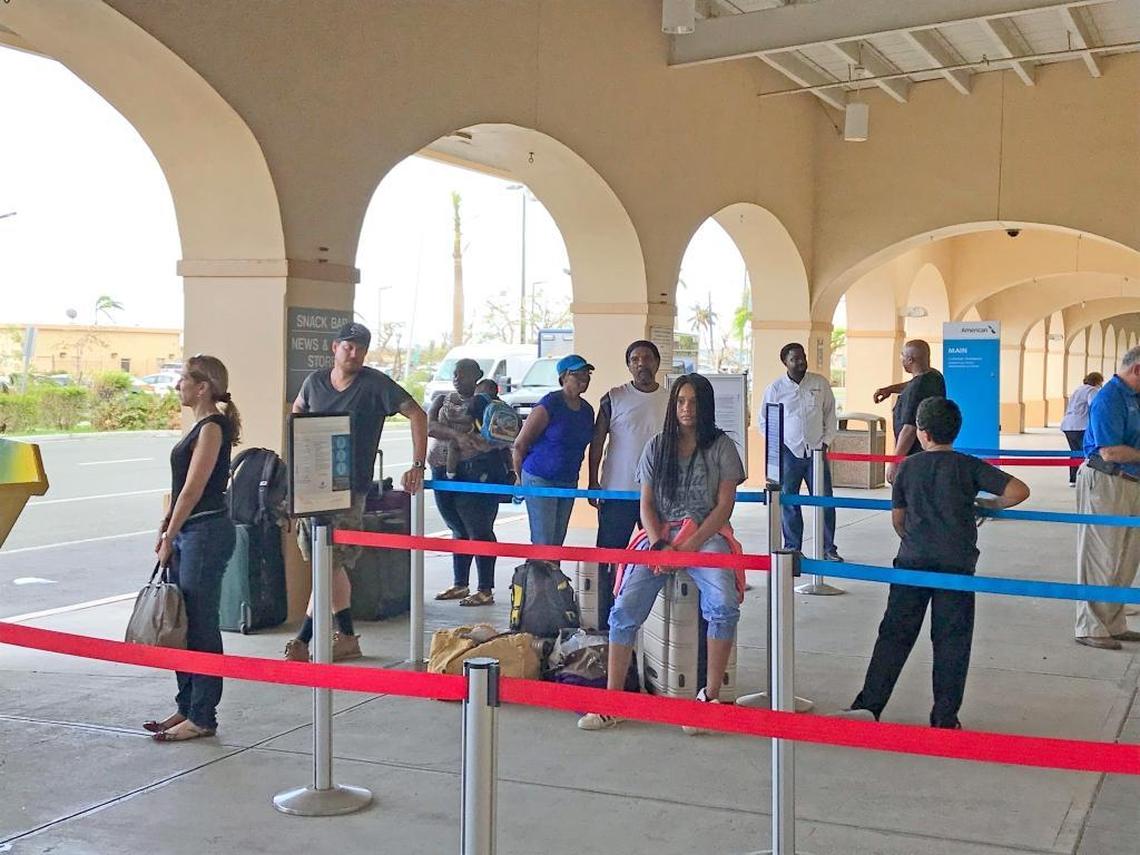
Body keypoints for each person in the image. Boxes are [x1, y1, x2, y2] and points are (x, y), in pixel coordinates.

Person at [840, 397, 1029, 729]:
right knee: (951, 641)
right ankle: (944, 716)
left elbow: (898, 519)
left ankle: (869, 704)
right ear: (955, 430)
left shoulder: (908, 468)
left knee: (894, 635)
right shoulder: (968, 466)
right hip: (957, 565)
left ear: (922, 433)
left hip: (913, 562)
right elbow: (1019, 490)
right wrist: (988, 503)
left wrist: (912, 537)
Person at [578, 373, 746, 732]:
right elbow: (647, 505)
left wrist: (690, 544)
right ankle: (614, 701)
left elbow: (723, 507)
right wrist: (659, 545)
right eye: (682, 401)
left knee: (724, 605)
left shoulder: (722, 447)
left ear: (706, 407)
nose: (687, 409)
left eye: (695, 402)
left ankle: (710, 697)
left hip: (706, 536)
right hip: (658, 537)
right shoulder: (656, 446)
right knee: (623, 610)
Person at [284, 322, 428, 662]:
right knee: (328, 564)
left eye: (361, 348)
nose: (354, 353)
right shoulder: (315, 382)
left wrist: (417, 464)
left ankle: (304, 638)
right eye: (348, 346)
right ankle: (346, 636)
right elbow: (298, 410)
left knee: (330, 561)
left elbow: (417, 415)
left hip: (350, 489)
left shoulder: (375, 384)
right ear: (335, 348)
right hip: (312, 486)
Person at [146, 355, 241, 742]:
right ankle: (186, 704)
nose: (178, 385)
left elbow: (193, 488)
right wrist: (166, 527)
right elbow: (180, 487)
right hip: (188, 532)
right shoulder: (200, 426)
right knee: (183, 622)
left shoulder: (212, 428)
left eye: (184, 378)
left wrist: (172, 531)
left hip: (205, 532)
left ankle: (203, 714)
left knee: (201, 623)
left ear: (203, 387)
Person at [586, 340, 668, 629]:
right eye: (634, 359)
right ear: (629, 365)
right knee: (610, 557)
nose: (641, 364)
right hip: (617, 491)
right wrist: (592, 480)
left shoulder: (671, 400)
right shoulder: (614, 398)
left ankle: (651, 617)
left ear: (657, 363)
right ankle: (604, 617)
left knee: (658, 556)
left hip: (657, 495)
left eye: (647, 358)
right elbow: (598, 440)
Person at [1074, 348, 1140, 650]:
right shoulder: (1109, 397)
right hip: (1107, 481)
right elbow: (1110, 450)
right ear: (1137, 370)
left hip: (1132, 482)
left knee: (1126, 558)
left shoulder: (1134, 399)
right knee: (1100, 555)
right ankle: (1090, 625)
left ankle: (1113, 622)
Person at [429, 359, 507, 607]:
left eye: (464, 374)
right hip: (441, 469)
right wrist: (456, 435)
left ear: (478, 376)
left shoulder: (489, 403)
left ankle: (485, 588)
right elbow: (428, 426)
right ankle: (460, 583)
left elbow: (502, 434)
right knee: (457, 527)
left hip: (476, 472)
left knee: (479, 529)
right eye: (455, 373)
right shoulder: (442, 400)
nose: (457, 378)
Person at [760, 342, 842, 561]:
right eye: (794, 359)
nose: (800, 362)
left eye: (802, 357)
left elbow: (830, 415)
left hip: (816, 451)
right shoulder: (775, 389)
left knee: (825, 500)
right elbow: (764, 422)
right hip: (789, 453)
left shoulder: (820, 383)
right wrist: (778, 447)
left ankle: (828, 549)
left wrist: (825, 442)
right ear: (785, 363)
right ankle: (793, 548)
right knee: (789, 502)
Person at [512, 353, 595, 546]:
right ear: (564, 376)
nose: (584, 379)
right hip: (540, 478)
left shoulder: (587, 410)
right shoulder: (549, 404)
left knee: (557, 541)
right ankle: (538, 575)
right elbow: (520, 444)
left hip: (567, 480)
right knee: (544, 540)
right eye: (578, 374)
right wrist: (519, 479)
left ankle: (551, 575)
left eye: (587, 374)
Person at [873, 339, 946, 483]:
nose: (901, 359)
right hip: (933, 452)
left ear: (910, 359)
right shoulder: (934, 377)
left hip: (914, 457)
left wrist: (895, 462)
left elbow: (909, 429)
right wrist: (890, 389)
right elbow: (913, 383)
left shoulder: (916, 390)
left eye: (902, 356)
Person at [1060, 372, 1103, 486]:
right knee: (1086, 452)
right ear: (1097, 382)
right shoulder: (1092, 391)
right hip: (1080, 425)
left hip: (1068, 425)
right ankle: (1085, 479)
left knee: (1075, 452)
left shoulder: (1078, 390)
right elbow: (1094, 405)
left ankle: (1073, 479)